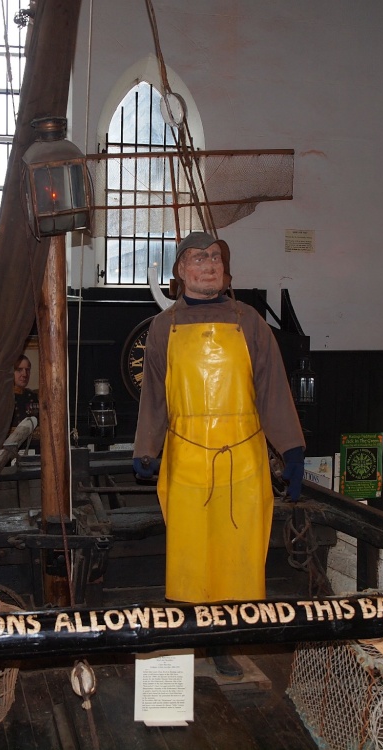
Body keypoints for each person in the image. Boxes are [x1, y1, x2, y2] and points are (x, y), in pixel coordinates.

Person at [133, 231, 305, 676]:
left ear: (225, 270)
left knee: (238, 557)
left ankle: (224, 644)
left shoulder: (250, 324)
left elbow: (273, 392)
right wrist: (147, 447)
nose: (208, 264)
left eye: (215, 257)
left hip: (243, 462)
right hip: (187, 460)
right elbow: (154, 396)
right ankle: (191, 637)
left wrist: (292, 451)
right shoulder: (162, 327)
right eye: (197, 257)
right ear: (179, 271)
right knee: (191, 558)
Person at [11, 354, 39, 430]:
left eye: (27, 370)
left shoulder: (33, 396)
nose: (24, 374)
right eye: (19, 370)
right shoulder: (3, 397)